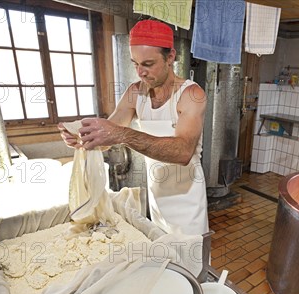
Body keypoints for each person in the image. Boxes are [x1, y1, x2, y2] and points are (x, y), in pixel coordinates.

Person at [59, 20, 209, 237]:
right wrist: (85, 137)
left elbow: (182, 152)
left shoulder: (191, 95)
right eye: (135, 64)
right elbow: (108, 136)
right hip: (157, 197)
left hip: (188, 200)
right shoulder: (135, 93)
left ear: (170, 57)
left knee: (190, 262)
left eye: (148, 64)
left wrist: (121, 134)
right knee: (165, 256)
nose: (140, 72)